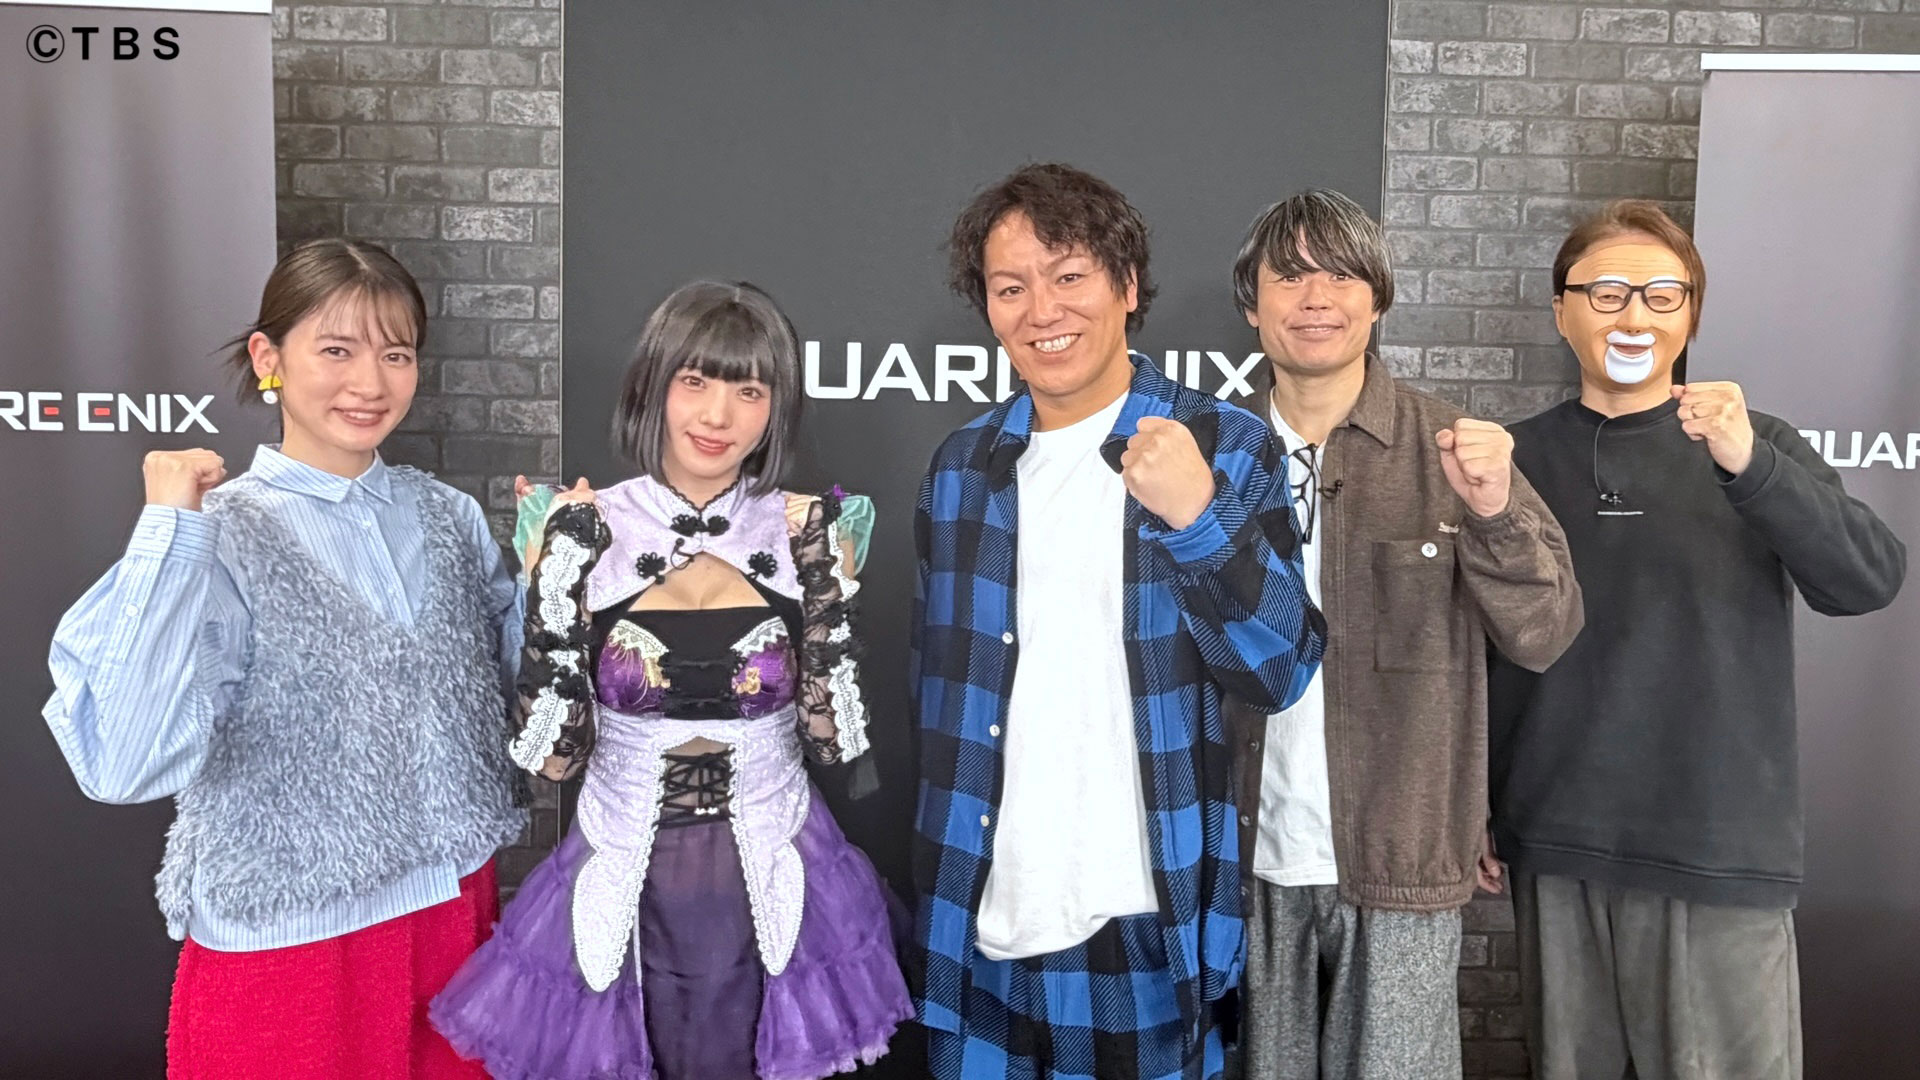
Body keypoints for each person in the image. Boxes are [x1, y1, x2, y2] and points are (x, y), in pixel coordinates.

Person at [43, 238, 527, 1078]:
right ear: (269, 358)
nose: (369, 383)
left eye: (396, 354)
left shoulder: (447, 517)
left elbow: (519, 703)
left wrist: (559, 582)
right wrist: (168, 530)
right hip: (292, 947)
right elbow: (121, 761)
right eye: (336, 350)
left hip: (454, 919)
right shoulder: (219, 531)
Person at [430, 280, 912, 1080]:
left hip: (777, 869)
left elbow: (836, 744)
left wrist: (827, 584)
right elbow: (551, 759)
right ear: (653, 386)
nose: (718, 416)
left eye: (748, 390)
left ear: (775, 408)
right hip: (624, 872)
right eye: (695, 382)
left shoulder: (813, 527)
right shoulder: (580, 522)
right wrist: (557, 581)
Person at [908, 163, 1326, 1080]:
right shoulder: (962, 467)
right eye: (1010, 288)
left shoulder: (1222, 445)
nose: (1041, 310)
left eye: (1069, 276)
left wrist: (1199, 519)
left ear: (1128, 286)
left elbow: (1281, 671)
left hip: (1145, 920)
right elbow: (932, 698)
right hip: (976, 914)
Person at [1488, 199, 1907, 1080]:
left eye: (1661, 295)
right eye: (1606, 293)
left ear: (1691, 316)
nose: (1633, 315)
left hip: (1719, 847)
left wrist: (1747, 462)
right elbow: (1474, 656)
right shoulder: (1508, 463)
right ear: (1561, 310)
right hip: (1556, 842)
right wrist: (1474, 810)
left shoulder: (1759, 449)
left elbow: (1867, 580)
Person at [1223, 190, 1583, 1078]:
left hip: (1404, 857)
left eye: (1341, 276)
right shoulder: (1209, 452)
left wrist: (1494, 514)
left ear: (1377, 298)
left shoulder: (1450, 445)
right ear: (1251, 304)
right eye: (1290, 276)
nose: (1316, 297)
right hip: (1237, 858)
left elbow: (1545, 630)